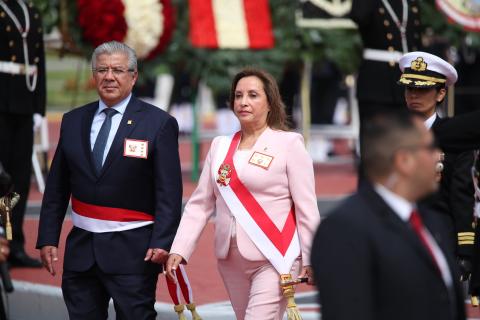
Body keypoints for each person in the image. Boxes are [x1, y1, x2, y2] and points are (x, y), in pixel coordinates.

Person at [36, 41, 183, 319]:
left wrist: (163, 241)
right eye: (102, 69)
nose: (109, 76)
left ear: (134, 76)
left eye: (118, 70)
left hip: (134, 253)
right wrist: (47, 237)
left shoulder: (158, 123)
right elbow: (57, 187)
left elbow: (169, 192)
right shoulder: (73, 120)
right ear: (94, 75)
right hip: (81, 252)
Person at [166, 68, 320, 320]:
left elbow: (306, 208)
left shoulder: (289, 144)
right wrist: (180, 249)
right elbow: (200, 205)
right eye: (238, 96)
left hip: (275, 256)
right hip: (230, 258)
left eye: (253, 95)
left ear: (270, 102)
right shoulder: (220, 145)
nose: (243, 102)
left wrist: (312, 257)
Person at [312, 111, 466, 320]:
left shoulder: (431, 220)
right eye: (430, 148)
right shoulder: (345, 229)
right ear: (404, 160)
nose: (437, 155)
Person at [398, 51, 475, 277]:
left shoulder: (456, 139)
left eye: (422, 89)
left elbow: (461, 195)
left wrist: (465, 251)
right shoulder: (389, 137)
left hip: (439, 240)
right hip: (396, 238)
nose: (414, 95)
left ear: (440, 93)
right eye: (410, 88)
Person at [0, 0, 46, 268]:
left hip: (25, 101)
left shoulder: (31, 11)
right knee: (1, 177)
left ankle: (15, 242)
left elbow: (39, 64)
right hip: (2, 101)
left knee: (18, 178)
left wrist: (39, 106)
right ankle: (2, 244)